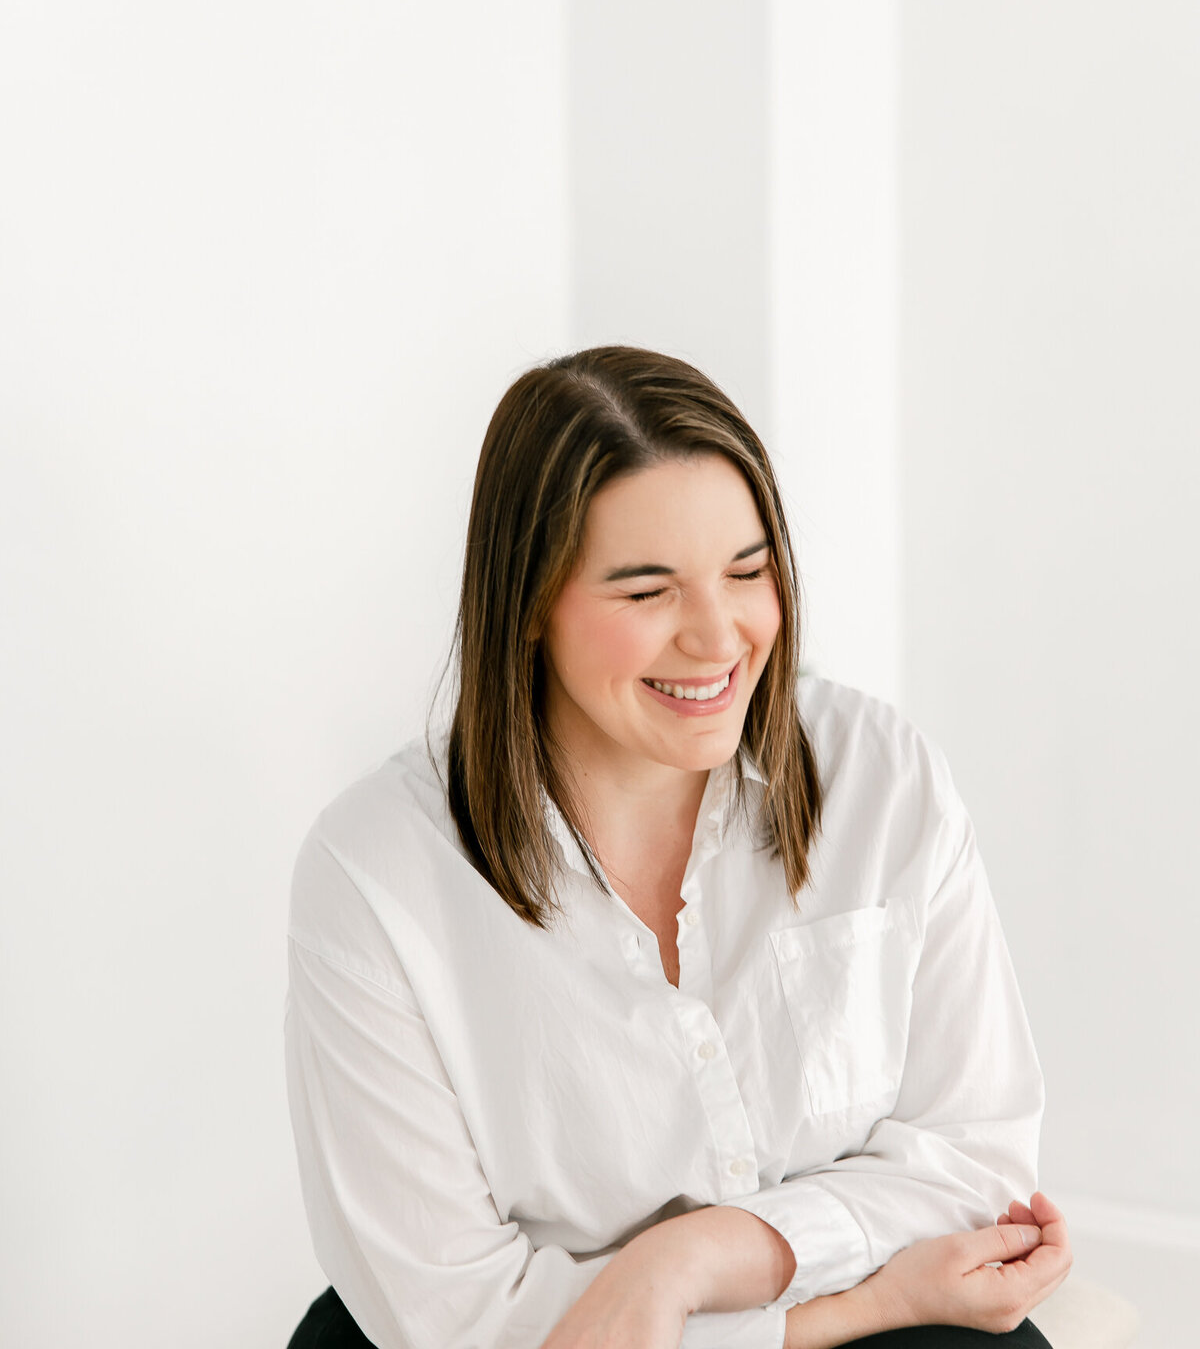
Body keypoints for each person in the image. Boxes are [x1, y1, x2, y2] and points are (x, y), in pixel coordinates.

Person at [284, 344, 1071, 1349]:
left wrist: (691, 1259)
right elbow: (456, 1312)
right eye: (648, 591)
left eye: (748, 571)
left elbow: (975, 1158)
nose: (720, 636)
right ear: (529, 604)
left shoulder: (883, 776)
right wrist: (852, 1309)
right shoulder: (376, 874)